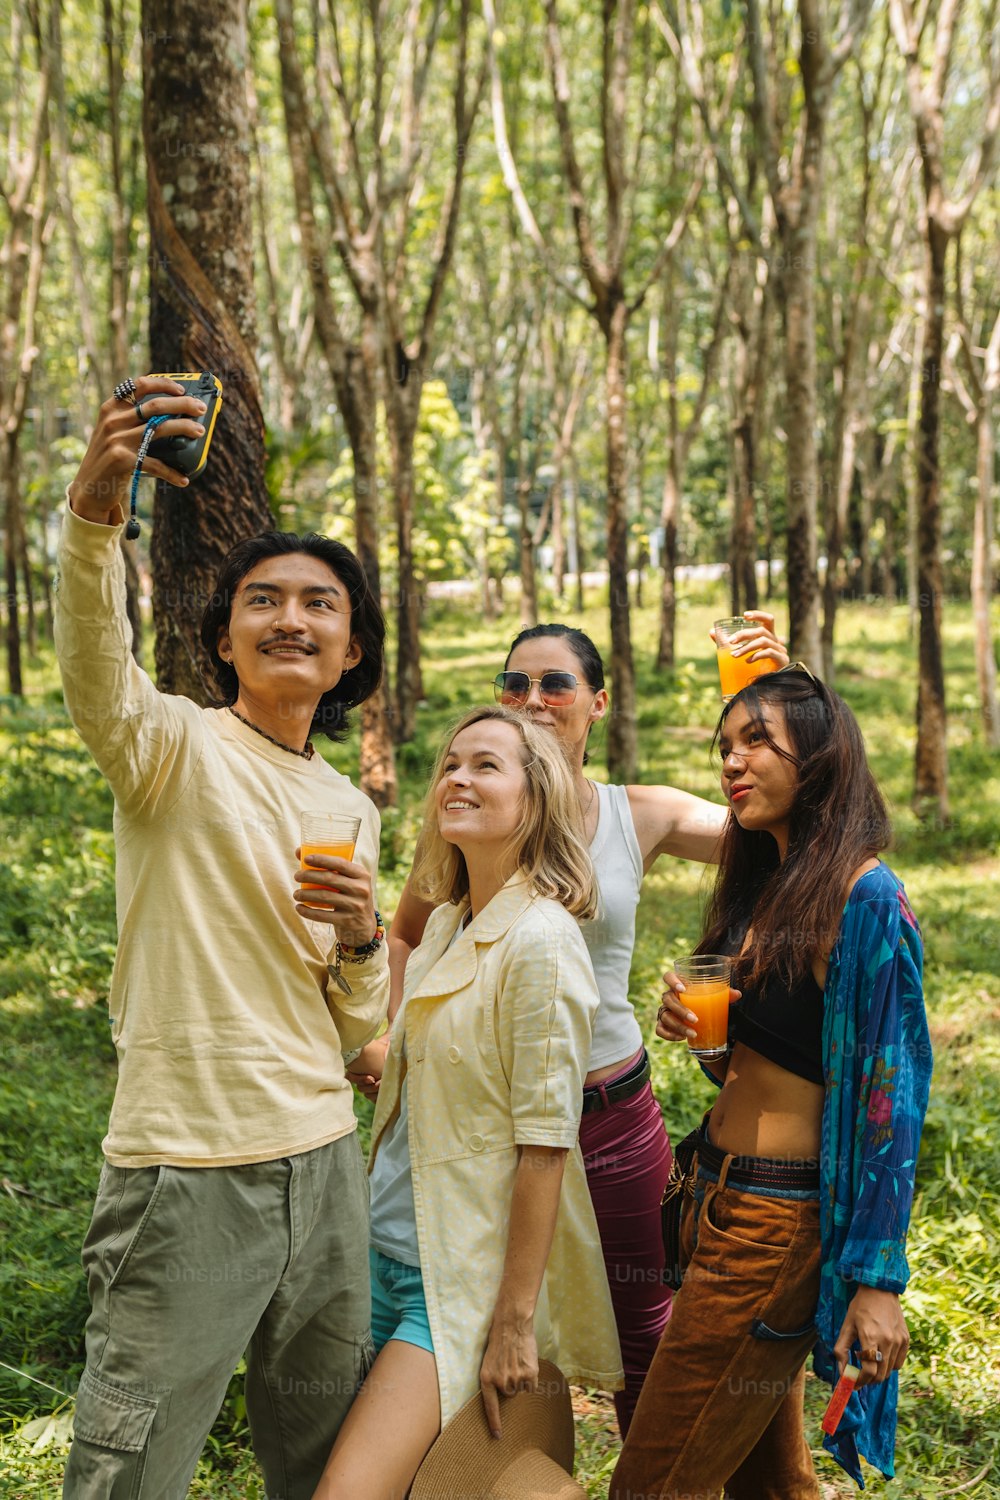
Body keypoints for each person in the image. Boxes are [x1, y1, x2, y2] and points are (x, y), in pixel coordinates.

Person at [56, 376, 390, 1500]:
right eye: (262, 600)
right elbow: (97, 668)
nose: (290, 616)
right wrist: (97, 512)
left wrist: (359, 946)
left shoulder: (353, 810)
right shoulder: (172, 751)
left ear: (350, 654)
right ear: (224, 638)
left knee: (321, 1448)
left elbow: (356, 1025)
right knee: (131, 1460)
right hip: (187, 1167)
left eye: (318, 604)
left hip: (324, 1159)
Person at [350, 616, 787, 1431]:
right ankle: (493, 1470)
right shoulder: (470, 807)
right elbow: (406, 929)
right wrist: (396, 1032)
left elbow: (779, 825)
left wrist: (774, 697)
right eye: (515, 685)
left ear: (598, 702)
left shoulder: (637, 814)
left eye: (555, 684)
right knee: (465, 1319)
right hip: (482, 1125)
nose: (533, 700)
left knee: (642, 1336)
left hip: (606, 1121)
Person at [611, 667, 932, 1499]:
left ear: (819, 758)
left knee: (651, 1483)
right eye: (725, 746)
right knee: (770, 1485)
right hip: (713, 1201)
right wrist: (705, 1041)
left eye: (757, 741)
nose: (732, 762)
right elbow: (774, 1063)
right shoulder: (766, 880)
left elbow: (890, 1107)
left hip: (774, 1225)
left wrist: (876, 1282)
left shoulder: (866, 898)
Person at [310, 705, 622, 1500]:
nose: (459, 777)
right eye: (451, 764)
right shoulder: (449, 923)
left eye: (487, 765)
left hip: (457, 1281)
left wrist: (513, 1321)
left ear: (536, 797)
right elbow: (436, 1076)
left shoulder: (543, 941)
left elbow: (545, 1145)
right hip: (380, 1254)